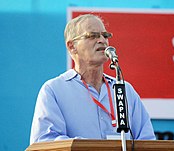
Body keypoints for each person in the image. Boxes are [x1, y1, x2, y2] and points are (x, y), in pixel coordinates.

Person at [30, 14, 156, 144]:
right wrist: (91, 146)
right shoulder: (54, 90)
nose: (102, 40)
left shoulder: (125, 90)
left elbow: (147, 141)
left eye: (105, 35)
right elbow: (44, 142)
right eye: (92, 36)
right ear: (72, 46)